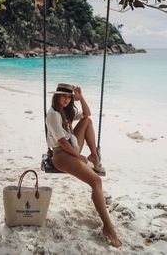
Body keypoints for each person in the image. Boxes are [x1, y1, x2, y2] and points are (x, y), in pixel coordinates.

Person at [46, 83, 122, 248]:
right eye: (63, 96)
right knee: (96, 181)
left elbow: (87, 113)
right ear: (56, 96)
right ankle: (108, 227)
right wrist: (78, 157)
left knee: (87, 121)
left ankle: (94, 156)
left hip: (72, 149)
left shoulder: (65, 111)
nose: (66, 99)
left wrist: (81, 98)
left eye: (69, 97)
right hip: (61, 155)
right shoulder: (53, 115)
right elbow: (61, 141)